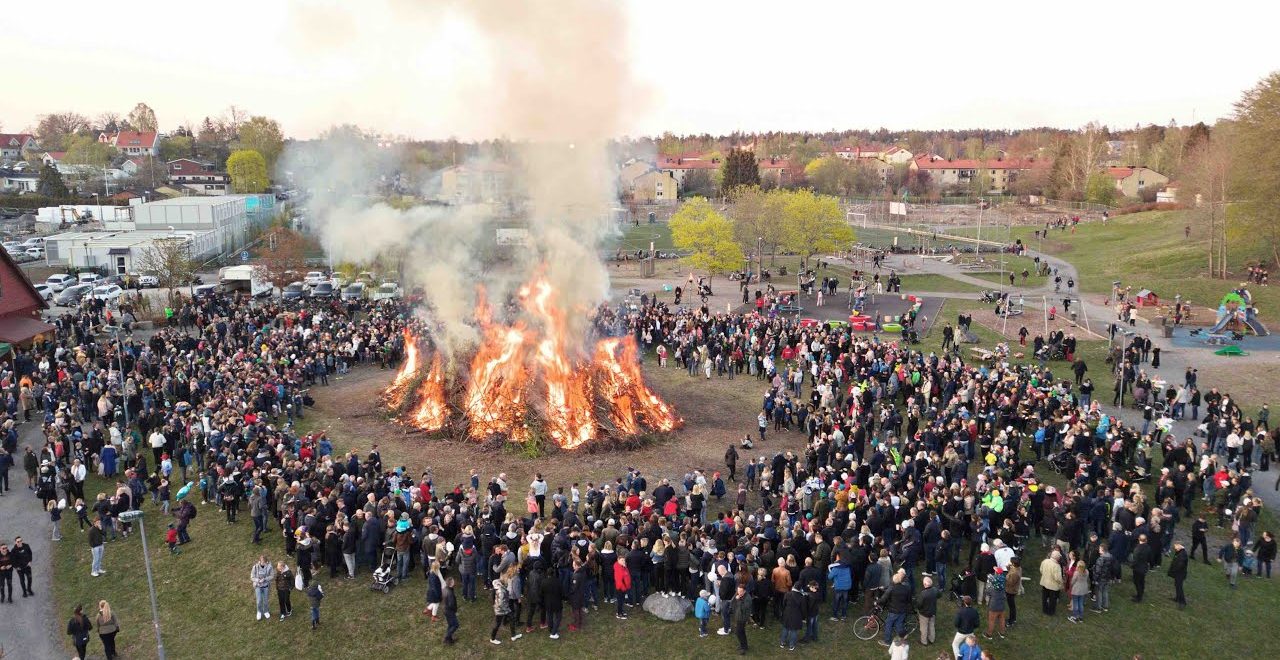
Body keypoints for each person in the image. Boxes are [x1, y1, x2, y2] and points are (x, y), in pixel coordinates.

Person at [916, 574, 939, 646]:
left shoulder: (923, 594)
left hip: (924, 613)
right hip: (932, 612)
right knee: (931, 626)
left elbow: (919, 604)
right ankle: (932, 639)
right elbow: (939, 595)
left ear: (925, 584)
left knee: (924, 628)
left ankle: (924, 641)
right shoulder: (935, 590)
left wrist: (919, 609)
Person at [251, 554, 274, 620]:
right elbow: (252, 577)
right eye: (262, 562)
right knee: (259, 601)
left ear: (266, 561)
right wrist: (258, 580)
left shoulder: (270, 567)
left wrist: (265, 579)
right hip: (258, 586)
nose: (263, 563)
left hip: (266, 586)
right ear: (259, 561)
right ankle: (259, 612)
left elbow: (272, 576)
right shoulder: (255, 567)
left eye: (264, 562)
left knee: (266, 600)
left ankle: (266, 611)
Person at [730, 584, 752, 655]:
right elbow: (732, 602)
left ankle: (743, 647)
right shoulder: (738, 594)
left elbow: (744, 608)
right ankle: (744, 645)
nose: (739, 592)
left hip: (742, 618)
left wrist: (738, 600)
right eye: (738, 590)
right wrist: (735, 600)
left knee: (739, 632)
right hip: (737, 615)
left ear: (744, 591)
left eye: (741, 591)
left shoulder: (748, 598)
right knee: (741, 632)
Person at [1039, 550, 1063, 615]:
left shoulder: (1045, 561)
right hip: (1053, 586)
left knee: (1044, 597)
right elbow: (1057, 578)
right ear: (1057, 558)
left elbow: (1041, 570)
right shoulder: (1056, 566)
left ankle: (1045, 610)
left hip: (1044, 583)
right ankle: (1051, 612)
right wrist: (1061, 583)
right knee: (1052, 600)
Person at [1167, 542, 1188, 609]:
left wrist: (1173, 570)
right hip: (1178, 573)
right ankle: (1177, 598)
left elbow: (1180, 565)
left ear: (1180, 546)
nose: (1174, 548)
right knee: (1177, 585)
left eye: (1175, 546)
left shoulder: (1182, 555)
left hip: (1180, 574)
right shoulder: (1180, 552)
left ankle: (1183, 602)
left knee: (1179, 587)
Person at [443, 576, 460, 645]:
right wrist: (454, 610)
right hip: (449, 611)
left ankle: (449, 640)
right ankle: (447, 637)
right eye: (453, 581)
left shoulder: (445, 589)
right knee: (455, 625)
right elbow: (451, 604)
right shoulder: (450, 593)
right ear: (451, 583)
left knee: (450, 625)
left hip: (445, 609)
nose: (454, 582)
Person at [613, 555, 631, 620]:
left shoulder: (623, 566)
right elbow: (618, 580)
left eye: (624, 560)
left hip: (624, 587)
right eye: (622, 560)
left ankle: (621, 611)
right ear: (618, 560)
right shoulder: (618, 568)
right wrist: (623, 588)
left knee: (622, 600)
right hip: (621, 588)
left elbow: (627, 575)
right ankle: (619, 613)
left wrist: (625, 567)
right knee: (620, 601)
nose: (623, 561)